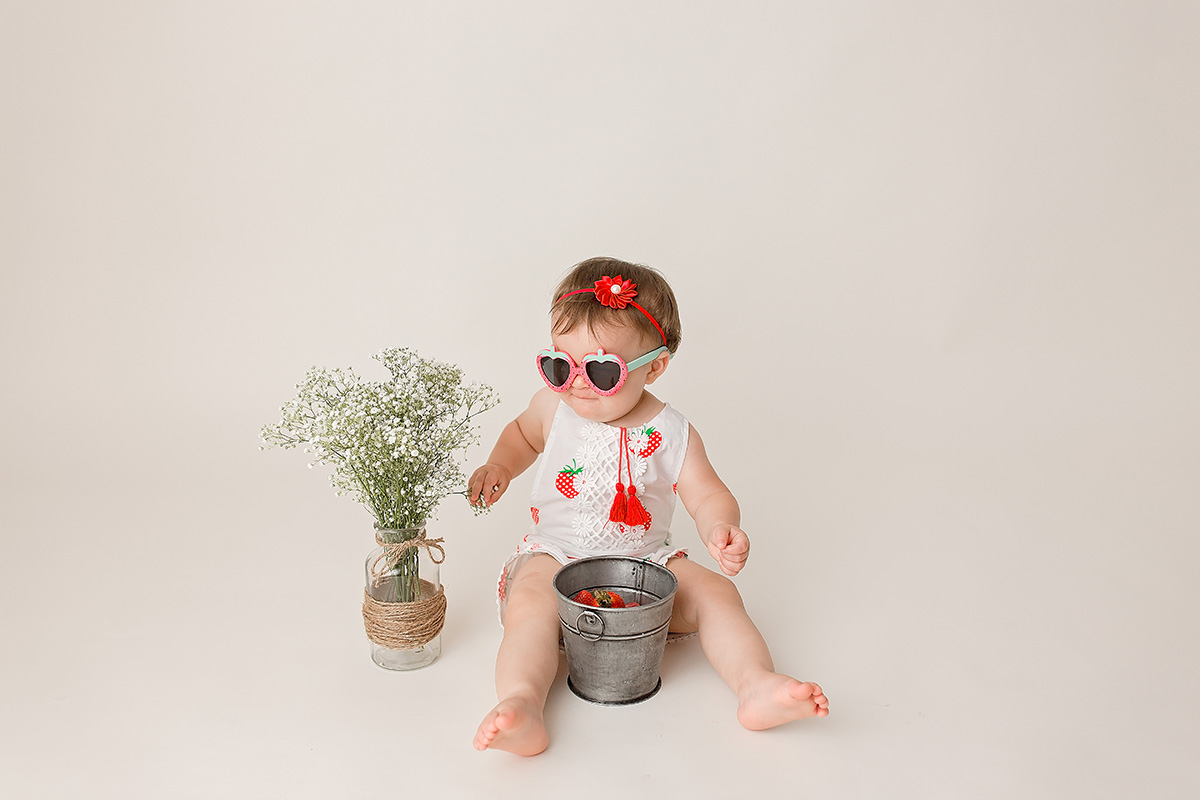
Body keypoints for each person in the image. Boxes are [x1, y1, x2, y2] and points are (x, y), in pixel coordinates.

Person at [468, 257, 828, 755]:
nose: (573, 382)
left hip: (643, 570)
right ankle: (523, 703)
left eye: (599, 370)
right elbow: (521, 436)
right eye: (558, 364)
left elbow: (706, 492)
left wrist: (720, 525)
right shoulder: (552, 409)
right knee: (530, 605)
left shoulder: (672, 431)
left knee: (717, 594)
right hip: (555, 556)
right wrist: (500, 465)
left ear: (653, 367)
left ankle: (756, 684)